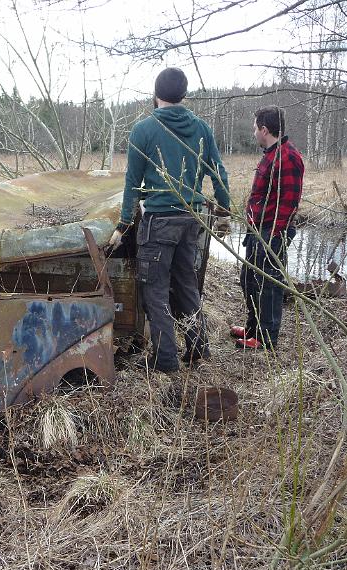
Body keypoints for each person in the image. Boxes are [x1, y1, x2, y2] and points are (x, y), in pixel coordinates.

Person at [109, 67, 230, 373]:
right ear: (184, 95)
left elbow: (132, 184)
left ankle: (165, 361)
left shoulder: (144, 130)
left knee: (155, 292)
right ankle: (198, 349)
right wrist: (224, 211)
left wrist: (123, 225)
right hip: (191, 219)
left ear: (156, 94)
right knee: (187, 285)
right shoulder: (201, 128)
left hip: (159, 223)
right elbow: (219, 173)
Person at [232, 106, 305, 350]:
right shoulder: (271, 154)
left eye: (255, 128)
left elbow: (289, 202)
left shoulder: (289, 157)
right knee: (249, 280)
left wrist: (274, 236)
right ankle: (252, 329)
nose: (253, 132)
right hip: (258, 230)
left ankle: (266, 339)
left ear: (264, 129)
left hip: (273, 233)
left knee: (269, 284)